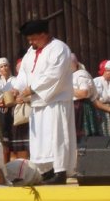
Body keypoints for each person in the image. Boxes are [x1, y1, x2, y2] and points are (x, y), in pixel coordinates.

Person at [14, 19, 77, 185]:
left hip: (55, 100)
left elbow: (54, 74)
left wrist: (32, 88)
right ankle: (47, 170)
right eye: (29, 40)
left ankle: (61, 171)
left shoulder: (59, 48)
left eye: (34, 39)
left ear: (44, 34)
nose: (31, 43)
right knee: (41, 139)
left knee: (57, 135)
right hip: (38, 102)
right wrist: (16, 88)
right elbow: (24, 74)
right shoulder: (31, 51)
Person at [71, 54, 99, 141]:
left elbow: (84, 92)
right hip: (73, 107)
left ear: (74, 63)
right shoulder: (70, 76)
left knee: (83, 139)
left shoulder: (80, 74)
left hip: (80, 107)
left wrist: (65, 89)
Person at [0, 57, 14, 162]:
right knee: (1, 138)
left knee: (11, 138)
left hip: (12, 111)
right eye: (1, 66)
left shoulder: (15, 80)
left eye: (5, 65)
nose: (4, 68)